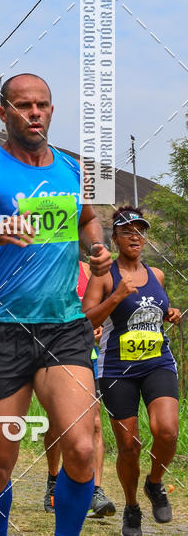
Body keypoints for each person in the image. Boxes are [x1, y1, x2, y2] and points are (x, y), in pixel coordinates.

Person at [0, 73, 112, 536]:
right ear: (3, 112)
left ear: (51, 110)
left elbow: (88, 220)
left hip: (64, 326)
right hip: (2, 330)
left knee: (82, 449)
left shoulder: (72, 169)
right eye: (24, 105)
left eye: (42, 105)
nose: (35, 113)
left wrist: (96, 248)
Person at [83, 206, 181, 536]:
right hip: (117, 369)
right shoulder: (104, 276)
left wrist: (170, 312)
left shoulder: (157, 274)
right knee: (129, 446)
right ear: (115, 238)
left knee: (166, 431)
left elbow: (153, 309)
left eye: (140, 231)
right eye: (127, 231)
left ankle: (154, 483)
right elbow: (86, 321)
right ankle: (132, 507)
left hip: (157, 363)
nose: (135, 237)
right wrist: (116, 296)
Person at [42, 259, 115, 517]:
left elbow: (103, 310)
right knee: (57, 423)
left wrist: (98, 328)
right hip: (54, 352)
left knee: (94, 423)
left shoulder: (91, 271)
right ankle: (53, 480)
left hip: (88, 354)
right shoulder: (47, 265)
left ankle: (95, 491)